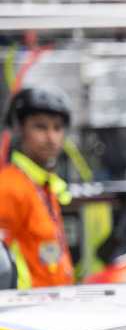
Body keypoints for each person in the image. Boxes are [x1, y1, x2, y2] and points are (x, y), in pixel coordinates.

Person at [0, 86, 77, 287]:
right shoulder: (9, 188)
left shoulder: (45, 186)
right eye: (40, 127)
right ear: (20, 130)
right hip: (24, 304)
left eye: (57, 128)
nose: (51, 138)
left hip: (52, 301)